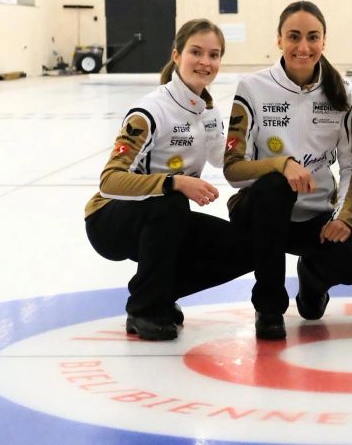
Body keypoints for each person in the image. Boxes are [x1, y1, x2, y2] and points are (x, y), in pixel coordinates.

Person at [84, 18, 252, 341]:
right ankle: (144, 308)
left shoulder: (208, 110)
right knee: (171, 202)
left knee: (247, 247)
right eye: (196, 52)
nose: (205, 62)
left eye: (214, 55)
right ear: (176, 55)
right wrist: (173, 182)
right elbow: (109, 180)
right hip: (110, 220)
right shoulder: (150, 111)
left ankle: (157, 292)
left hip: (165, 222)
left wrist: (274, 157)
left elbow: (225, 160)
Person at [223, 1, 352, 340]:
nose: (303, 47)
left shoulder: (343, 93)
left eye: (313, 37)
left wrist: (343, 216)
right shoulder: (252, 88)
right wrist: (281, 165)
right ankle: (270, 307)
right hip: (262, 212)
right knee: (276, 187)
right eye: (294, 37)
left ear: (324, 41)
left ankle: (312, 283)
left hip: (315, 218)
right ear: (279, 40)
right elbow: (233, 170)